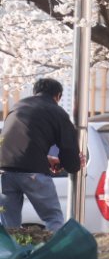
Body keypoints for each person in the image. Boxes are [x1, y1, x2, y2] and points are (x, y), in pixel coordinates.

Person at [1, 78, 80, 233]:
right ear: (57, 96)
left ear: (35, 92)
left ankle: (7, 256)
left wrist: (47, 159)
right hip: (33, 173)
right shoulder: (56, 112)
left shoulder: (18, 107)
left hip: (3, 170)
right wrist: (72, 165)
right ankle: (57, 254)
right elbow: (68, 148)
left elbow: (16, 143)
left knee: (8, 225)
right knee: (53, 217)